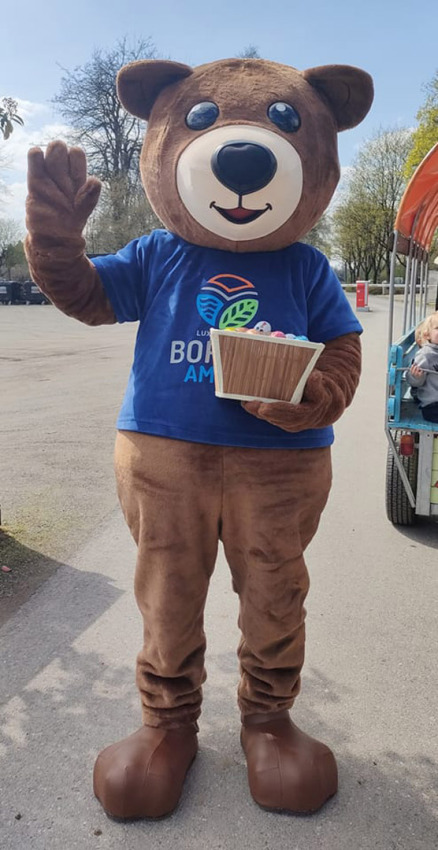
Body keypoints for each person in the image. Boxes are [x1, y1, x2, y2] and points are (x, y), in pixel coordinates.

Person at [406, 311, 438, 423]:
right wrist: (416, 377)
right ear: (427, 334)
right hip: (432, 407)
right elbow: (413, 381)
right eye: (437, 328)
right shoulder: (426, 354)